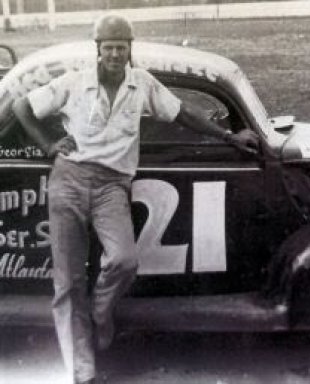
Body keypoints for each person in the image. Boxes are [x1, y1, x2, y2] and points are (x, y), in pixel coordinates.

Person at [12, 14, 259, 384]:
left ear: (129, 49)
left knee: (124, 261)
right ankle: (82, 370)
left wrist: (229, 137)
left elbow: (184, 113)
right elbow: (21, 107)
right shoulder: (76, 81)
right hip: (69, 181)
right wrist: (47, 145)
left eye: (120, 47)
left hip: (113, 185)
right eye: (108, 47)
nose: (114, 54)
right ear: (98, 49)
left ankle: (99, 314)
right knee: (67, 282)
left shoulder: (141, 83)